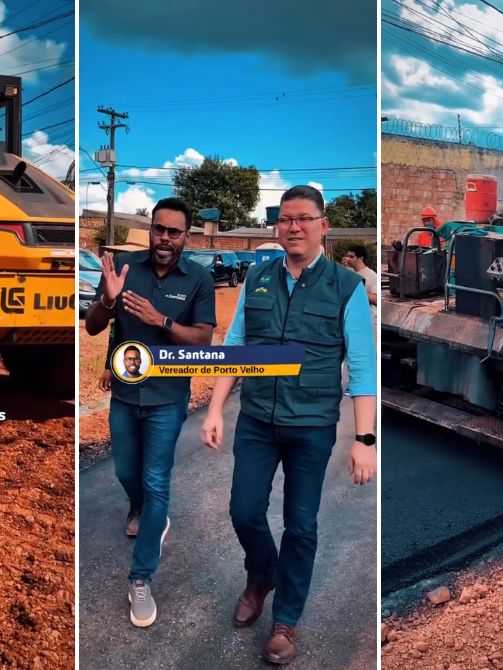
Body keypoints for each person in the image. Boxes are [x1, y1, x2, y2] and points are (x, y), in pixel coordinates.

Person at [201, 185, 377, 665]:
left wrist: (365, 439)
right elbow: (237, 347)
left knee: (300, 525)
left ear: (323, 226)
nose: (293, 227)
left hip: (312, 426)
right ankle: (262, 574)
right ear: (276, 227)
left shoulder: (347, 287)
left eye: (303, 218)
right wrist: (216, 408)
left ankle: (287, 620)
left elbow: (363, 367)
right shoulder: (257, 277)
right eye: (285, 219)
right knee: (244, 511)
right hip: (257, 420)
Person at [84, 197, 216, 627]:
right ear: (151, 230)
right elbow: (96, 325)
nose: (164, 238)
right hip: (125, 394)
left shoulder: (199, 278)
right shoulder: (127, 269)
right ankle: (141, 508)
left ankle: (140, 578)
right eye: (159, 229)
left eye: (173, 232)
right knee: (126, 471)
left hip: (168, 398)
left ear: (186, 237)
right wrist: (107, 298)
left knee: (157, 479)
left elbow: (202, 341)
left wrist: (161, 321)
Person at [342, 244, 377, 318]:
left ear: (360, 258)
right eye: (347, 256)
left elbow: (376, 300)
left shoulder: (372, 276)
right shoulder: (348, 271)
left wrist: (358, 292)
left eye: (351, 257)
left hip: (366, 317)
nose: (348, 259)